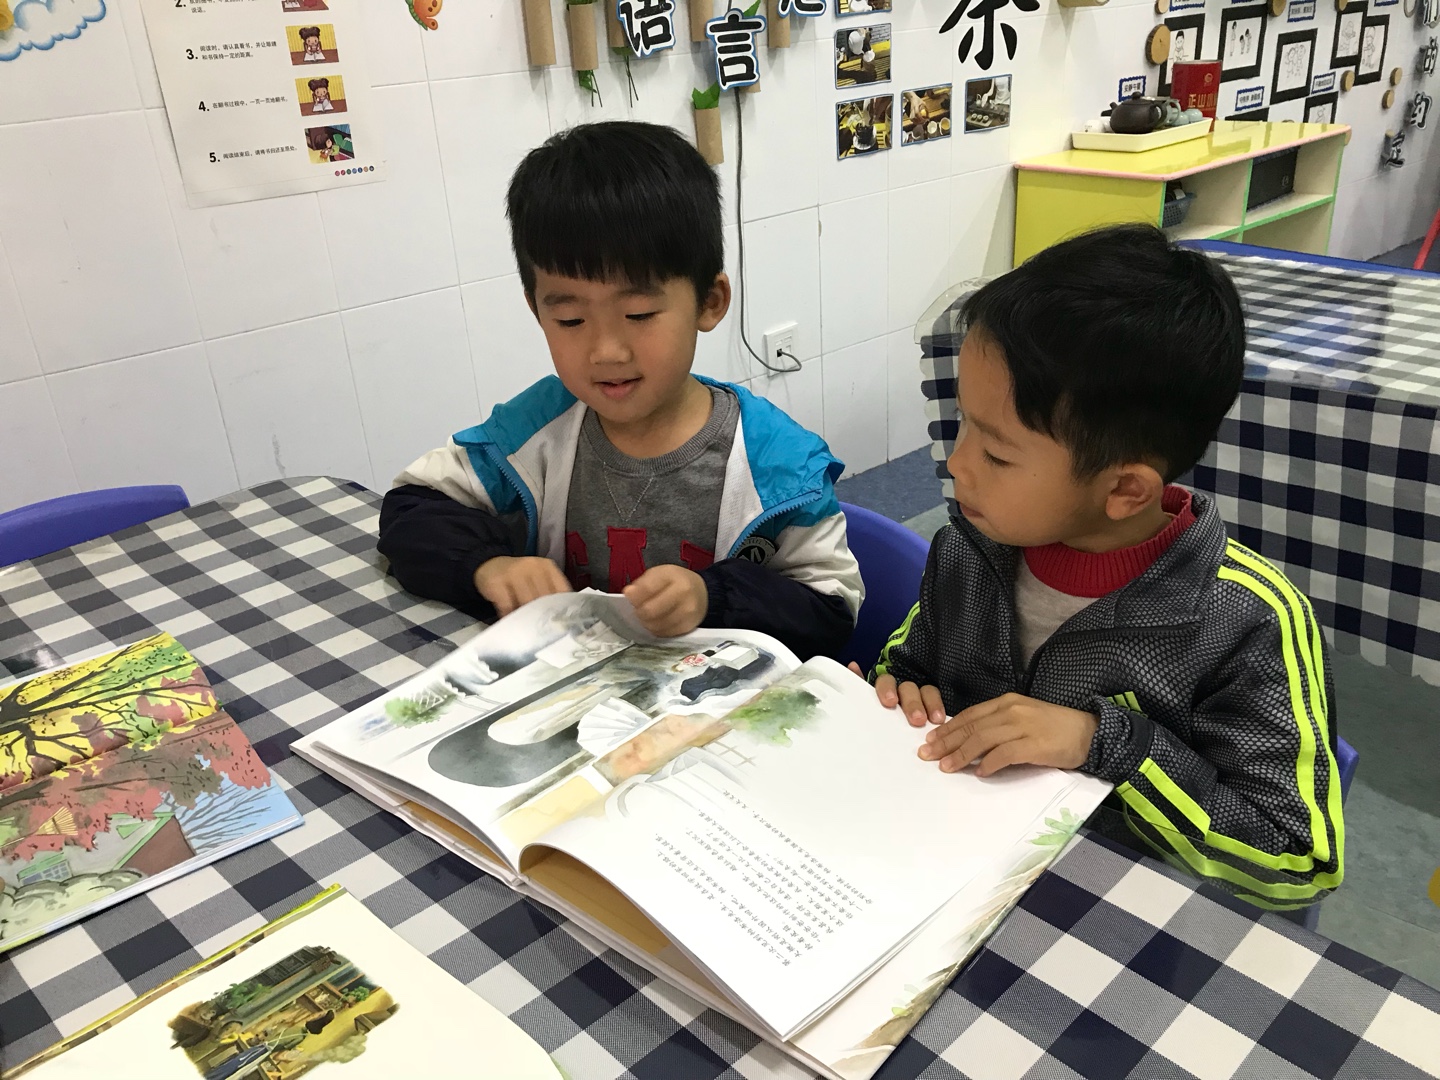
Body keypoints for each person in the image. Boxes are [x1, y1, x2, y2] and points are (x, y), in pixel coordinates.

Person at [862, 224, 1343, 910]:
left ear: (1125, 490)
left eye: (996, 454)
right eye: (962, 423)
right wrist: (901, 689)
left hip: (1117, 914)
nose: (958, 464)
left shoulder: (1246, 621)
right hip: (949, 877)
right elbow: (910, 661)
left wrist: (1108, 744)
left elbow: (1297, 863)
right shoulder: (969, 548)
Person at [378, 121, 862, 660]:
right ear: (536, 310)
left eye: (639, 314)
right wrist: (489, 566)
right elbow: (411, 509)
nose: (606, 351)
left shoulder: (777, 463)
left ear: (709, 302)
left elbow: (830, 610)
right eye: (570, 320)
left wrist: (714, 597)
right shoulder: (535, 430)